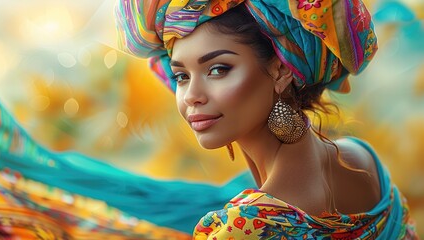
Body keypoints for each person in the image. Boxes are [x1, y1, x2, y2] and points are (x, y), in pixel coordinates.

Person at [115, 0, 418, 238]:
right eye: (181, 75)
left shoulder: (252, 226)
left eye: (218, 69)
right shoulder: (362, 159)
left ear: (281, 70)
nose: (191, 95)